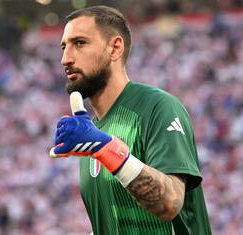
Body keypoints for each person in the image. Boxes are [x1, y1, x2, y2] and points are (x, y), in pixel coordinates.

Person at [49, 5, 212, 235]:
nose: (65, 59)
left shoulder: (158, 107)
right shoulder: (93, 134)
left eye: (80, 43)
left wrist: (106, 149)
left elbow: (170, 203)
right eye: (64, 47)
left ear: (115, 48)